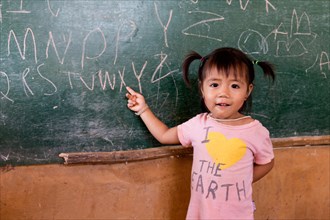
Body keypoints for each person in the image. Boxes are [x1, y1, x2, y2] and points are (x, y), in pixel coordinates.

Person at [126, 47, 275, 220]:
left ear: (247, 91)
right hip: (200, 214)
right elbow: (164, 135)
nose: (223, 93)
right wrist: (143, 109)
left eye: (234, 85)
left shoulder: (255, 131)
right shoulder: (198, 124)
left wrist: (242, 180)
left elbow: (267, 163)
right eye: (214, 85)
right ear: (202, 89)